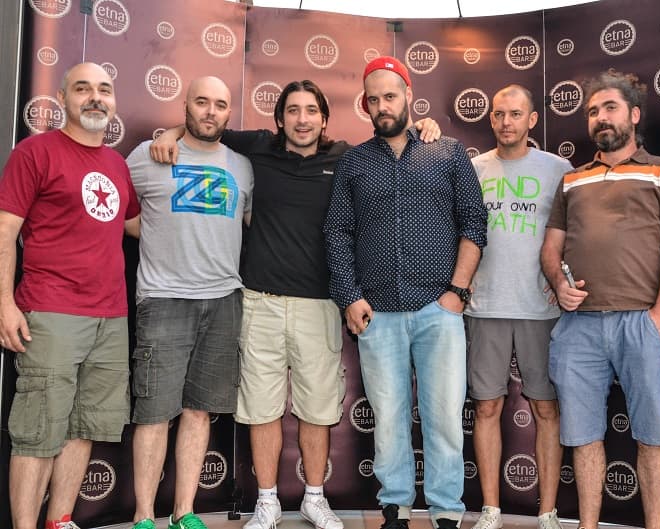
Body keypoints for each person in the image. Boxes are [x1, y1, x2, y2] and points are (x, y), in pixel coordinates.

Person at [149, 80, 441, 529]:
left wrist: (424, 127)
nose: (302, 120)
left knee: (317, 408)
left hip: (320, 305)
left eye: (311, 111)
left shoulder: (347, 158)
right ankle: (266, 502)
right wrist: (169, 134)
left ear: (324, 119)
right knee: (262, 407)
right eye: (292, 111)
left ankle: (314, 498)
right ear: (280, 118)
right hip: (260, 302)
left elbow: (394, 144)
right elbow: (204, 128)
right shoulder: (257, 148)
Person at [324, 56, 487, 529]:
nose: (382, 106)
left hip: (439, 310)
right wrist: (349, 296)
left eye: (390, 96)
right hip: (377, 314)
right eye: (373, 99)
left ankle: (446, 511)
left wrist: (457, 293)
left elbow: (474, 224)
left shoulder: (447, 152)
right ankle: (394, 507)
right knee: (389, 417)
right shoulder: (354, 162)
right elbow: (337, 232)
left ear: (409, 96)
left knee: (444, 417)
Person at [540, 69, 660, 529]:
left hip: (640, 323)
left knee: (652, 436)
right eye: (593, 111)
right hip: (578, 327)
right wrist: (558, 282)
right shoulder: (572, 180)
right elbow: (550, 249)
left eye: (610, 107)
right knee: (583, 437)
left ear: (634, 115)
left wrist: (659, 317)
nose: (600, 118)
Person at [0, 62, 139, 529]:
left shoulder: (117, 165)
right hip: (51, 311)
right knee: (38, 431)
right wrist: (4, 303)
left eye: (104, 89)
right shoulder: (35, 152)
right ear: (62, 99)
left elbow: (136, 225)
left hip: (111, 317)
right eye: (83, 88)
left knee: (85, 427)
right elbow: (5, 230)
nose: (95, 97)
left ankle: (59, 520)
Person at [126, 76, 254, 529]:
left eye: (220, 104)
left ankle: (185, 512)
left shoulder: (243, 167)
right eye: (202, 101)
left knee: (199, 411)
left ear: (228, 112)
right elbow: (120, 216)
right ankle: (144, 516)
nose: (210, 111)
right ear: (186, 105)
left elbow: (249, 224)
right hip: (164, 299)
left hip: (223, 300)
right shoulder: (147, 156)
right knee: (155, 413)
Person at [465, 84, 571, 529]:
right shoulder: (471, 169)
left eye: (514, 114)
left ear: (532, 120)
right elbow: (455, 232)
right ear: (490, 118)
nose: (505, 122)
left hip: (540, 309)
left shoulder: (558, 169)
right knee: (486, 408)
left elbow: (574, 232)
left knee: (547, 409)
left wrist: (560, 279)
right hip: (484, 306)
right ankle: (490, 510)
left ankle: (548, 512)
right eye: (498, 114)